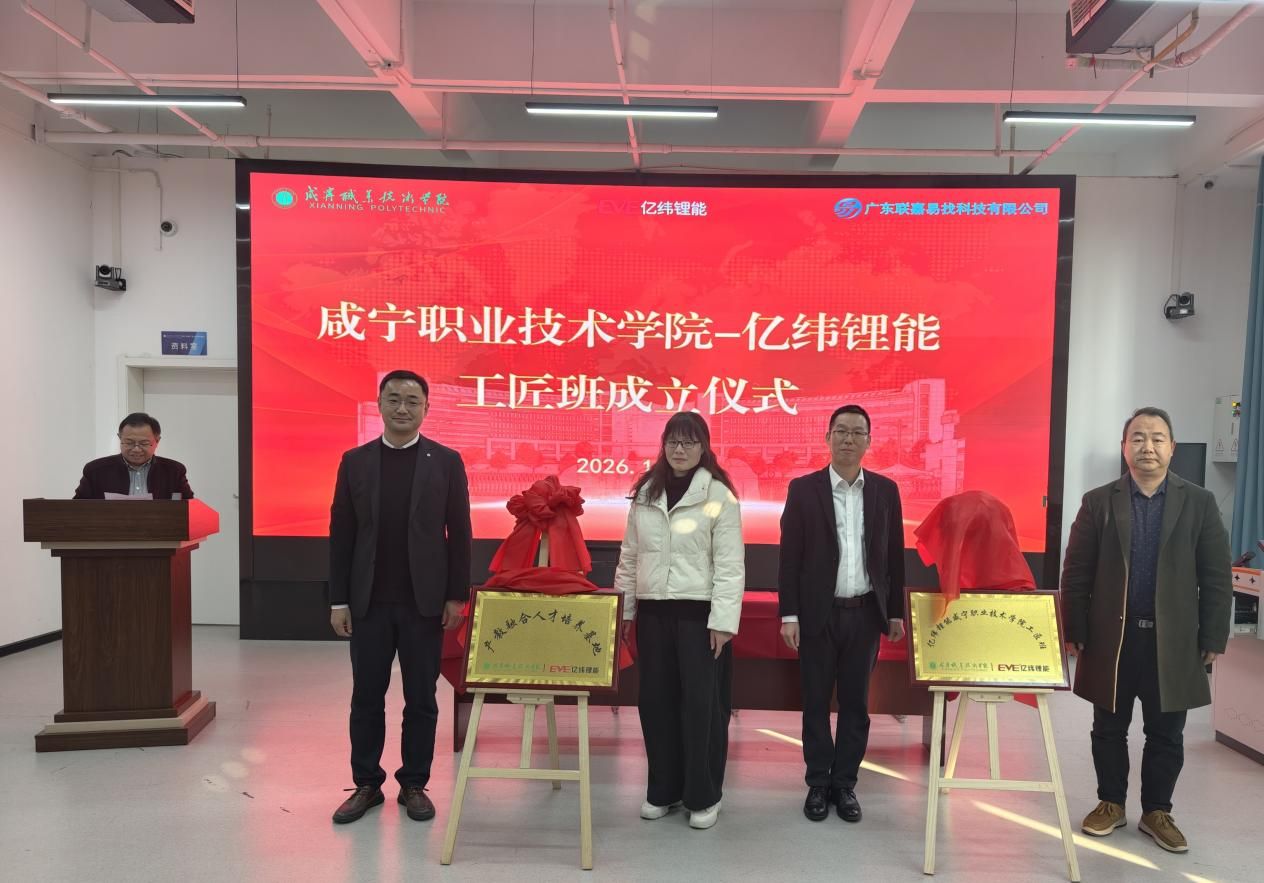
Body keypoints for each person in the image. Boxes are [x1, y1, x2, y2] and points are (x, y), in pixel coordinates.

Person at [1061, 406, 1231, 854]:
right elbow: (1076, 572)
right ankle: (1110, 803)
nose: (1147, 446)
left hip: (1172, 641)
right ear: (1124, 447)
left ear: (1172, 448)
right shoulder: (1099, 501)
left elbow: (1216, 576)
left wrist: (1213, 635)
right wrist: (1074, 626)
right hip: (1112, 639)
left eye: (1157, 438)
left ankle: (1157, 811)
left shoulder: (1199, 502)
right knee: (1108, 728)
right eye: (1138, 438)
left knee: (1167, 732)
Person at [328, 370, 472, 825]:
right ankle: (366, 783)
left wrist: (456, 595)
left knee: (421, 698)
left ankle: (414, 783)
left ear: (427, 407)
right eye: (393, 399)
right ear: (379, 405)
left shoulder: (446, 461)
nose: (402, 408)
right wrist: (338, 600)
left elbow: (460, 532)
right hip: (368, 602)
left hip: (423, 603)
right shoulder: (355, 461)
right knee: (366, 696)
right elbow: (342, 533)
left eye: (412, 400)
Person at [613, 412, 744, 831]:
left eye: (689, 442)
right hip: (654, 613)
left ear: (703, 447)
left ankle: (704, 795)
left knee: (702, 707)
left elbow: (730, 565)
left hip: (699, 616)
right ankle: (663, 790)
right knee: (656, 703)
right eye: (673, 441)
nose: (680, 450)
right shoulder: (646, 493)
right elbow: (629, 557)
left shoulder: (718, 495)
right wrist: (625, 612)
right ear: (664, 445)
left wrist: (723, 621)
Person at [778, 404, 905, 823]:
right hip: (818, 615)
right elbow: (789, 558)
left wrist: (895, 613)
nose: (849, 439)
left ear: (869, 440)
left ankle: (845, 783)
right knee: (815, 702)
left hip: (865, 615)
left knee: (856, 704)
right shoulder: (803, 489)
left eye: (857, 432)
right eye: (841, 431)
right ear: (828, 437)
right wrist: (789, 615)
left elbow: (893, 556)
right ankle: (818, 782)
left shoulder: (885, 491)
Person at [74, 412, 193, 499]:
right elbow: (77, 510)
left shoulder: (174, 471)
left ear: (157, 441)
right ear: (120, 438)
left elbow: (190, 509)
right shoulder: (95, 471)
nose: (136, 449)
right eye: (129, 442)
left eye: (144, 443)